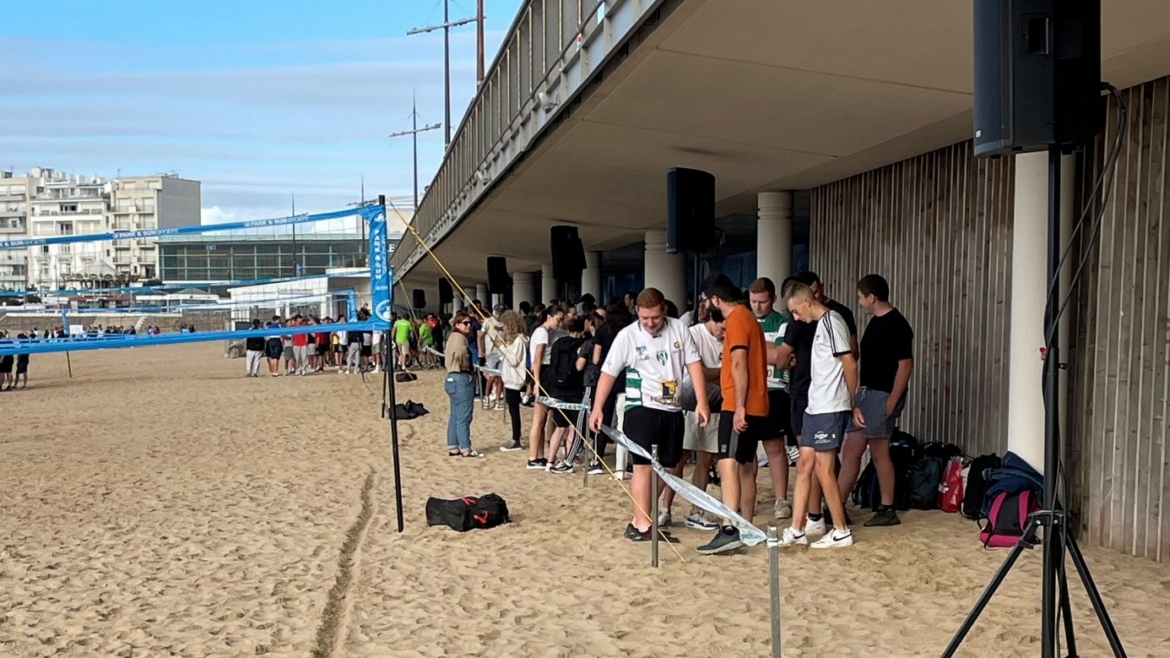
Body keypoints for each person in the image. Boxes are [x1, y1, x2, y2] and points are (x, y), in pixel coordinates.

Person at [590, 288, 709, 543]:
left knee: (669, 464)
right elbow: (608, 372)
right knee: (643, 465)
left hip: (672, 407)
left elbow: (694, 365)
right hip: (640, 406)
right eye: (644, 318)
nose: (650, 323)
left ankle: (638, 517)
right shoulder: (628, 336)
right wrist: (598, 407)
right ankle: (643, 522)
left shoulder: (679, 329)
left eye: (654, 317)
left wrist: (701, 401)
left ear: (663, 310)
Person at [781, 283, 856, 548]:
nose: (795, 317)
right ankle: (797, 529)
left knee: (825, 469)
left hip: (830, 405)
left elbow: (849, 361)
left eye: (795, 311)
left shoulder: (833, 322)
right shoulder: (819, 324)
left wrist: (852, 400)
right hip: (814, 405)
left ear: (806, 302)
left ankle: (840, 529)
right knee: (804, 466)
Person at [837, 274, 915, 527]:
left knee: (879, 451)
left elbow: (905, 365)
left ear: (872, 297)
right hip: (868, 392)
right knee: (852, 449)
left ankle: (887, 507)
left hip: (882, 394)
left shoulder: (897, 324)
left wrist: (892, 400)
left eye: (861, 297)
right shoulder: (875, 322)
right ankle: (836, 504)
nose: (860, 302)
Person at [700, 278, 770, 555]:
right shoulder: (747, 318)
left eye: (706, 301)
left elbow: (740, 363)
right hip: (754, 403)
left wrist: (739, 405)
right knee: (743, 466)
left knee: (727, 462)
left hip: (740, 404)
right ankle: (746, 525)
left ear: (716, 300)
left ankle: (729, 527)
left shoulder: (738, 319)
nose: (705, 306)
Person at [659, 293, 724, 531]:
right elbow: (696, 370)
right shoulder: (693, 334)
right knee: (678, 458)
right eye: (721, 327)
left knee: (706, 459)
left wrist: (713, 373)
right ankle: (665, 508)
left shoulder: (727, 338)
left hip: (716, 405)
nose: (723, 333)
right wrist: (717, 373)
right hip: (688, 401)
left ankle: (696, 511)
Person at [748, 277, 797, 520]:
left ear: (773, 299)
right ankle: (748, 498)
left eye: (763, 301)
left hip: (775, 389)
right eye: (754, 301)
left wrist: (752, 348)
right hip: (747, 391)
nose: (757, 306)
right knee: (747, 451)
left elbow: (780, 356)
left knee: (775, 446)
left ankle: (781, 499)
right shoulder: (744, 320)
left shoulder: (782, 322)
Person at [526, 306, 565, 469]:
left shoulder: (545, 332)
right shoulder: (542, 332)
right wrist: (537, 382)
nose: (560, 322)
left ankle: (539, 455)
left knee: (542, 420)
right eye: (558, 319)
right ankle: (533, 457)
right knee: (539, 419)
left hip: (545, 373)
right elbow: (537, 358)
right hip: (544, 373)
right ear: (549, 317)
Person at [444, 312, 482, 458]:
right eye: (465, 323)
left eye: (469, 323)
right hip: (460, 377)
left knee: (455, 415)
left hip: (451, 378)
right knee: (464, 417)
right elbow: (460, 353)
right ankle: (466, 448)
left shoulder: (451, 337)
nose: (468, 325)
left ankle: (453, 446)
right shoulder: (459, 337)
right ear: (457, 325)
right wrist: (465, 362)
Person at [497, 311, 529, 452]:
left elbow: (514, 361)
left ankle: (516, 439)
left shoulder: (520, 341)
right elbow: (504, 358)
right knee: (512, 410)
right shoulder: (513, 341)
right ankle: (515, 437)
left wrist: (502, 347)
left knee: (514, 410)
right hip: (509, 380)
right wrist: (501, 347)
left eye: (505, 325)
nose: (504, 328)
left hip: (515, 381)